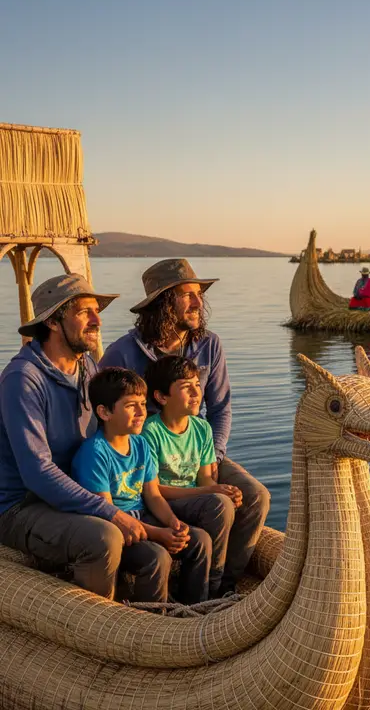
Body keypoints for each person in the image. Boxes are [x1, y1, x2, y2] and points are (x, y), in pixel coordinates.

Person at [100, 258, 270, 589]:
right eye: (187, 295)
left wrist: (215, 455)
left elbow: (220, 407)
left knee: (256, 496)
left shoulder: (209, 344)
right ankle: (199, 584)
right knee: (218, 503)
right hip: (148, 459)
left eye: (199, 294)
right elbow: (103, 416)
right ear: (164, 303)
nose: (198, 302)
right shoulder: (122, 353)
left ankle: (226, 584)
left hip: (198, 446)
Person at [0, 274, 147, 600]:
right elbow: (37, 473)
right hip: (22, 506)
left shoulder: (87, 368)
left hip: (79, 490)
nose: (97, 320)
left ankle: (151, 613)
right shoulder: (23, 380)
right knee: (104, 537)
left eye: (97, 311)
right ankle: (96, 625)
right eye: (84, 312)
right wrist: (110, 511)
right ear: (53, 322)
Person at [72, 367, 211, 604]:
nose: (140, 412)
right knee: (157, 557)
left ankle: (194, 606)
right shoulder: (94, 453)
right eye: (130, 406)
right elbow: (108, 512)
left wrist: (173, 523)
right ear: (104, 412)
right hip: (117, 529)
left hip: (143, 516)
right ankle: (152, 617)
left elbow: (153, 495)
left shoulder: (140, 445)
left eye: (143, 404)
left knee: (200, 540)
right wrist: (159, 534)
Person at [143, 355, 257, 597]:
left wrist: (223, 490)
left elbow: (205, 478)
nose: (196, 392)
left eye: (197, 384)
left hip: (195, 501)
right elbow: (154, 490)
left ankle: (222, 580)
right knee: (218, 503)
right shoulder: (150, 432)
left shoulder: (202, 428)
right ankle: (211, 588)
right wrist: (212, 491)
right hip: (165, 503)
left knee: (230, 500)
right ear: (161, 397)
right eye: (186, 387)